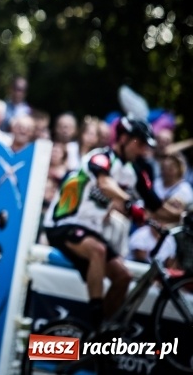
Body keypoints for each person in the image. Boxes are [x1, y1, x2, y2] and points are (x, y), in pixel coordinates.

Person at [42, 115, 169, 330]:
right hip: (63, 223)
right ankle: (96, 318)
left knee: (124, 276)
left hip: (91, 230)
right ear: (123, 138)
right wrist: (129, 203)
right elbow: (105, 183)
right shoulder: (100, 157)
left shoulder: (135, 171)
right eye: (139, 143)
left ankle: (103, 332)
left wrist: (184, 214)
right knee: (98, 250)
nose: (141, 150)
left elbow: (157, 207)